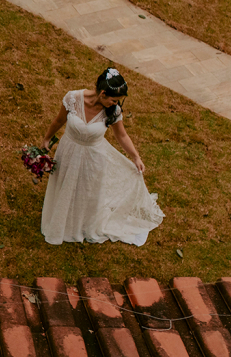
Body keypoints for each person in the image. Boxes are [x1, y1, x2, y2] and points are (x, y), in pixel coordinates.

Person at [39, 67, 164, 246]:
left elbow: (122, 136)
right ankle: (61, 219)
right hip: (69, 150)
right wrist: (46, 138)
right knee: (65, 185)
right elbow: (59, 120)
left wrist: (136, 157)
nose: (116, 104)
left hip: (93, 157)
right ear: (103, 93)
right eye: (114, 100)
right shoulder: (72, 98)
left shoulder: (112, 111)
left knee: (87, 191)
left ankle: (82, 223)